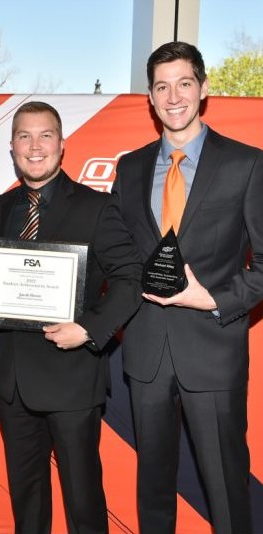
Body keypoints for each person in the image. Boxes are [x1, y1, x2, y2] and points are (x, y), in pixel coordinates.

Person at [112, 41, 263, 534]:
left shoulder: (247, 165)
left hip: (213, 352)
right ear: (150, 99)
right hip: (146, 352)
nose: (173, 95)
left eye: (183, 83)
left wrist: (215, 299)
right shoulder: (129, 168)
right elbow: (118, 258)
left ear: (203, 89)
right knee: (153, 490)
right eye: (161, 86)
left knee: (225, 489)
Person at [0, 101, 143, 534]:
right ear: (12, 147)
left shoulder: (96, 207)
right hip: (14, 381)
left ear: (62, 144)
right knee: (27, 500)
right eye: (24, 137)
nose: (35, 147)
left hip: (72, 376)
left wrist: (88, 329)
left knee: (83, 499)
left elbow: (130, 280)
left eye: (45, 135)